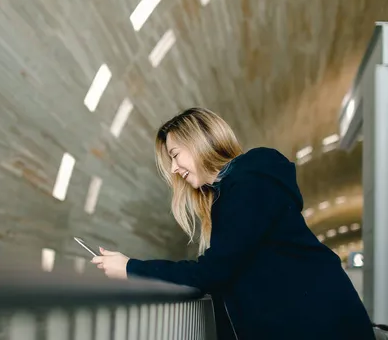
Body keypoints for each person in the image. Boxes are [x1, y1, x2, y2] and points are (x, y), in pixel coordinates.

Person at [91, 107, 375, 340]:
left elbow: (213, 272)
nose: (175, 169)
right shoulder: (238, 188)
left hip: (319, 327)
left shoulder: (248, 185)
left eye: (175, 155)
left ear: (198, 142)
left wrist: (131, 268)